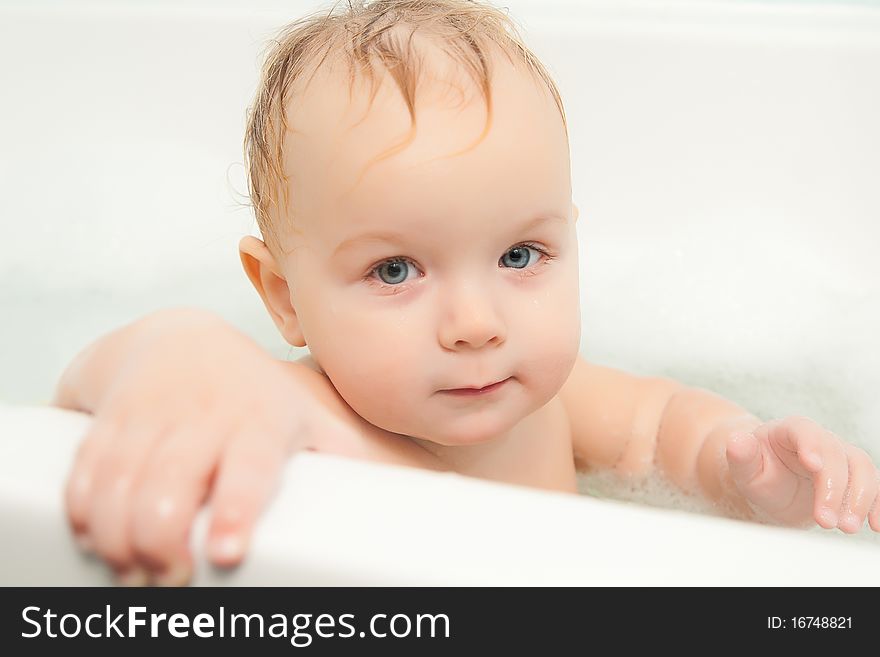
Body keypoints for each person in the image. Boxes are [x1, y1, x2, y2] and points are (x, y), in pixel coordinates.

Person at [52, 0, 880, 586]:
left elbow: (658, 428)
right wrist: (182, 344)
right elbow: (100, 377)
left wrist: (744, 466)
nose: (477, 325)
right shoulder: (296, 416)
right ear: (283, 296)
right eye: (396, 271)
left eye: (522, 253)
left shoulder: (549, 402)